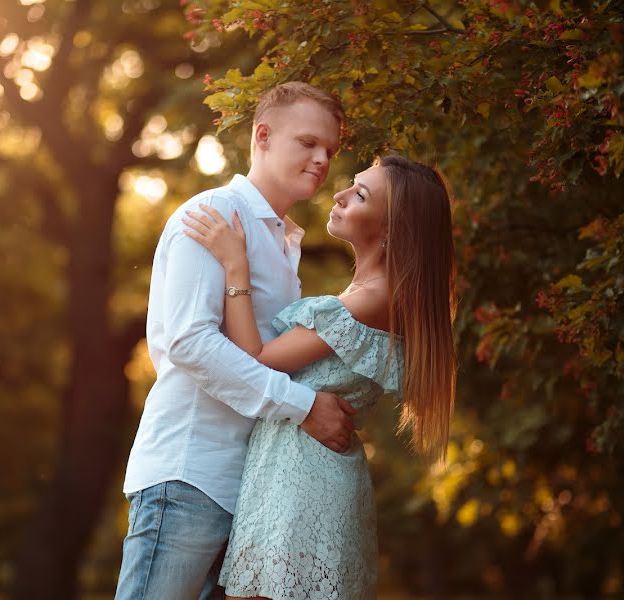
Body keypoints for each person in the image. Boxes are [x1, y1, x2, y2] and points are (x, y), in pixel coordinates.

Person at [115, 82, 356, 600]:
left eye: (330, 151)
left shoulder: (283, 241)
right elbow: (190, 344)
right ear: (263, 136)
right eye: (308, 142)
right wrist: (303, 406)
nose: (321, 159)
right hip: (189, 475)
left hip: (248, 491)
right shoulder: (211, 217)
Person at [181, 154, 457, 600]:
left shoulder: (373, 298)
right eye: (352, 184)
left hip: (303, 486)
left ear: (391, 230)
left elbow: (256, 357)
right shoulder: (366, 294)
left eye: (361, 194)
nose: (342, 194)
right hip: (291, 473)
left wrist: (236, 267)